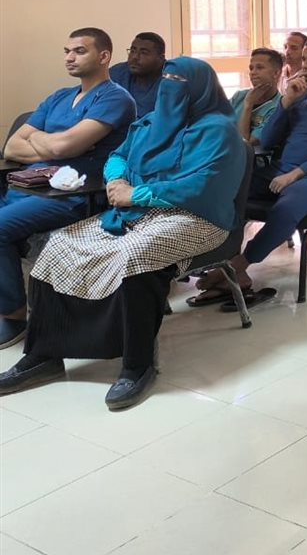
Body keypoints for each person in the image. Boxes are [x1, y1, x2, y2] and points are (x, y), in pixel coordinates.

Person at [0, 58, 244, 407]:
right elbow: (118, 155)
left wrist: (138, 194)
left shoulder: (218, 130)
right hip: (137, 211)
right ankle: (44, 354)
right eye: (166, 78)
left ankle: (136, 365)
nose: (169, 86)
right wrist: (116, 179)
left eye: (178, 81)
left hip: (197, 217)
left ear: (200, 88)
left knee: (134, 255)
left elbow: (205, 186)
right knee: (60, 245)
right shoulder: (151, 122)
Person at [190, 36, 307, 303]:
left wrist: (297, 173)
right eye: (304, 59)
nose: (305, 65)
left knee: (287, 207)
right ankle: (221, 258)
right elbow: (268, 140)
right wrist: (286, 103)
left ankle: (238, 267)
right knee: (226, 185)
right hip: (281, 170)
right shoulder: (301, 96)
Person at [1, 27, 138, 348]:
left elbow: (65, 147)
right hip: (29, 186)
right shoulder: (59, 96)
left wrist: (44, 140)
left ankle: (13, 314)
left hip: (74, 196)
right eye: (66, 51)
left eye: (79, 51)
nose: (69, 57)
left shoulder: (116, 98)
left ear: (104, 56)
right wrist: (54, 145)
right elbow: (12, 147)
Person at [230, 48, 284, 145]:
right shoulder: (239, 96)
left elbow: (245, 144)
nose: (253, 72)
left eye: (259, 68)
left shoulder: (279, 107)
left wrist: (248, 105)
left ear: (276, 73)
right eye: (251, 68)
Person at [108, 32, 166, 118]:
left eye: (144, 53)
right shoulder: (118, 72)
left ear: (161, 58)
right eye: (132, 51)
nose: (135, 57)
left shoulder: (170, 79)